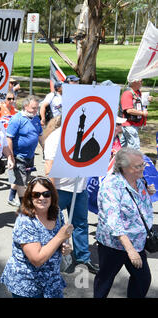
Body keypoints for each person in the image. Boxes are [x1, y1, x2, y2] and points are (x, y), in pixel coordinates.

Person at [0, 176, 74, 298]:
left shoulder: (57, 212)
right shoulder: (25, 221)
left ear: (52, 196)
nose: (41, 198)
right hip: (28, 286)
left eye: (46, 194)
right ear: (30, 197)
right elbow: (37, 259)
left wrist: (66, 248)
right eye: (36, 194)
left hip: (52, 282)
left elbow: (61, 241)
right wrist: (60, 238)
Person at [94, 147, 154, 298]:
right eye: (138, 166)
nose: (143, 168)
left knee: (143, 279)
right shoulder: (111, 185)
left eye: (143, 164)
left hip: (137, 242)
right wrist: (130, 250)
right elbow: (113, 220)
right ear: (123, 167)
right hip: (115, 244)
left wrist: (148, 191)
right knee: (105, 280)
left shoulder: (139, 180)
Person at [44, 115, 99, 274]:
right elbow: (49, 169)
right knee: (52, 223)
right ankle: (49, 255)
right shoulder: (55, 137)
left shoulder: (86, 134)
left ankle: (83, 258)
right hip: (60, 189)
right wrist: (52, 195)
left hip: (79, 188)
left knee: (80, 223)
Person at [6, 95, 44, 207]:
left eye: (37, 108)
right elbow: (9, 138)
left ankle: (11, 197)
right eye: (33, 108)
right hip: (18, 156)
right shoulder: (17, 119)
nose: (36, 110)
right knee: (21, 182)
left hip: (30, 156)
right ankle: (24, 206)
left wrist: (45, 149)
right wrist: (10, 157)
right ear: (26, 106)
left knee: (22, 179)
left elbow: (40, 135)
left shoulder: (36, 118)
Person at [119, 79, 152, 150]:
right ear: (134, 82)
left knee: (122, 145)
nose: (142, 83)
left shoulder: (138, 92)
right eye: (140, 81)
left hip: (134, 123)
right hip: (129, 123)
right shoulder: (127, 93)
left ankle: (115, 157)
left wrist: (147, 100)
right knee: (135, 146)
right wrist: (142, 113)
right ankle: (135, 160)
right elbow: (129, 110)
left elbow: (141, 104)